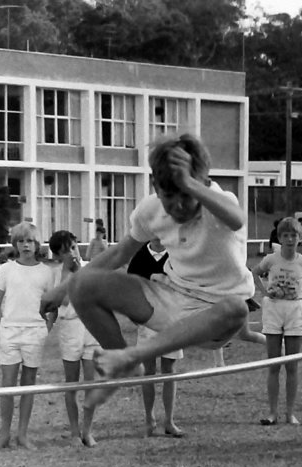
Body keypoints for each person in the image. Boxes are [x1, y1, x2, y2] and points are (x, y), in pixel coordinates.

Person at [41, 133, 255, 409]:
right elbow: (119, 253)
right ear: (156, 186)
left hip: (217, 315)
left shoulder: (219, 201)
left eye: (186, 197)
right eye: (169, 198)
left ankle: (133, 356)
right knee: (82, 285)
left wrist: (189, 183)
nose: (177, 207)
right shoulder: (150, 209)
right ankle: (124, 362)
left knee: (237, 308)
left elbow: (237, 219)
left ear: (201, 184)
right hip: (172, 298)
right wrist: (61, 289)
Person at [252, 217, 302, 425]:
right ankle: (272, 412)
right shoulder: (271, 259)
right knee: (274, 363)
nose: (290, 239)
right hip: (274, 310)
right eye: (286, 235)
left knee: (292, 365)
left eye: (294, 235)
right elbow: (255, 272)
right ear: (280, 238)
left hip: (294, 310)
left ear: (300, 238)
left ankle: (290, 412)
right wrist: (265, 292)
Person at [0, 222, 58, 450]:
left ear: (37, 243)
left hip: (34, 333)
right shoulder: (6, 269)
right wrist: (2, 326)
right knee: (8, 385)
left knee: (28, 384)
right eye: (21, 241)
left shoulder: (46, 272)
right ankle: (4, 433)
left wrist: (45, 329)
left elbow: (51, 306)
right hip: (10, 332)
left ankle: (23, 434)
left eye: (29, 241)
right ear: (15, 244)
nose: (25, 245)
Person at [126, 237, 185, 438]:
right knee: (148, 371)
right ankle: (149, 419)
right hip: (148, 321)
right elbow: (130, 288)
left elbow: (186, 284)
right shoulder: (140, 257)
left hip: (171, 320)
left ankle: (169, 420)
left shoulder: (176, 255)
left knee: (169, 369)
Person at [48, 230, 99, 447]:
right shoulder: (56, 274)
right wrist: (68, 273)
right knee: (71, 384)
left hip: (90, 327)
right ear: (58, 255)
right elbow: (63, 299)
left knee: (91, 382)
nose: (71, 253)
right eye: (65, 251)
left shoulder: (91, 269)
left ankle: (88, 430)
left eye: (73, 247)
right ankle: (74, 431)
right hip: (69, 328)